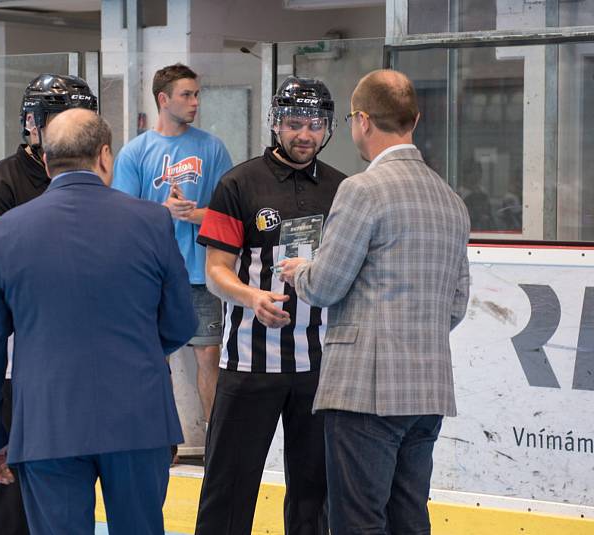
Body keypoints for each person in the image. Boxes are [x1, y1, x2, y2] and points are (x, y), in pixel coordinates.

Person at [0, 108, 197, 535]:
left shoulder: (3, 233)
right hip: (138, 418)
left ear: (47, 162)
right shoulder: (152, 220)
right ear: (105, 156)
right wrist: (135, 353)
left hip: (48, 423)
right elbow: (181, 322)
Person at [279, 69, 470, 535]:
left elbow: (325, 286)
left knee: (357, 522)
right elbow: (457, 304)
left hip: (366, 391)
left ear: (362, 120)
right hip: (428, 388)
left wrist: (298, 272)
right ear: (415, 120)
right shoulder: (450, 201)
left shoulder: (362, 189)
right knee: (408, 517)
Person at [194, 77, 346, 535]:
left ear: (329, 128)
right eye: (295, 123)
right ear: (275, 123)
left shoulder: (344, 189)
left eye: (315, 124)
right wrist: (251, 296)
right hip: (248, 362)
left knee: (313, 492)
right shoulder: (237, 183)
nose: (305, 134)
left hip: (320, 365)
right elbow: (216, 269)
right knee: (228, 488)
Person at [0, 73, 97, 535]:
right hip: (14, 375)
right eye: (57, 118)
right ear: (32, 125)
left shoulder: (94, 183)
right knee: (3, 505)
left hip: (75, 372)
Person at [112, 64, 233, 442]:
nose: (195, 102)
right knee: (152, 361)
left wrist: (193, 214)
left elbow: (232, 214)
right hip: (153, 277)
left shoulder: (212, 148)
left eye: (197, 94)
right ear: (163, 99)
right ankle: (159, 440)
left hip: (202, 275)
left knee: (209, 359)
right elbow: (120, 215)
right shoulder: (136, 152)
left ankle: (216, 444)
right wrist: (162, 212)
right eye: (187, 95)